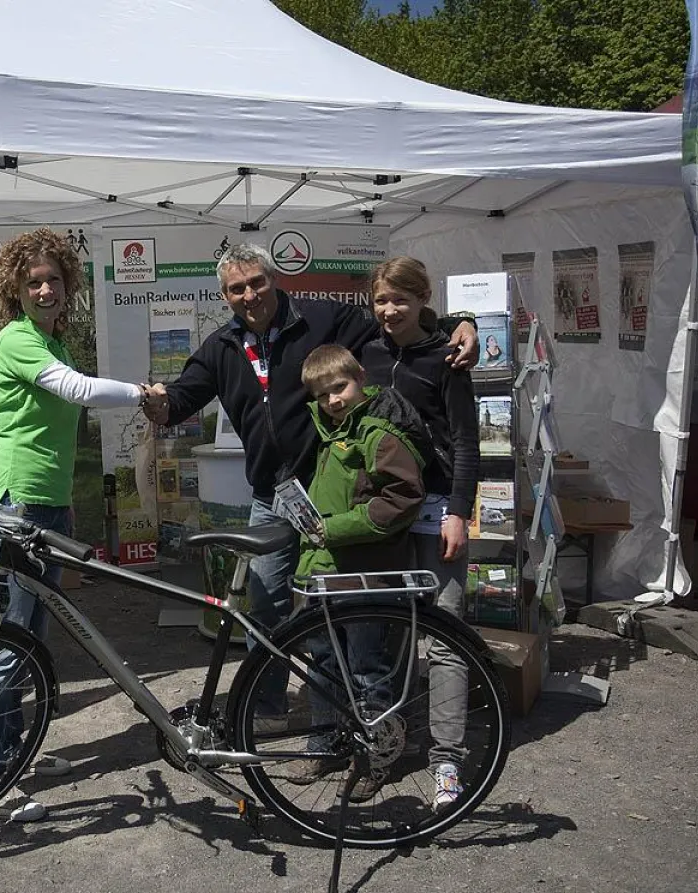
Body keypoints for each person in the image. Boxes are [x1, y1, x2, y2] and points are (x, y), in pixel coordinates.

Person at [142, 243, 476, 723]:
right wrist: (157, 402)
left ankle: (360, 720)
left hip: (335, 491)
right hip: (274, 497)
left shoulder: (322, 319)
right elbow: (180, 398)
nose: (250, 294)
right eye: (237, 288)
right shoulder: (221, 347)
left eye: (257, 282)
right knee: (267, 608)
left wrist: (458, 323)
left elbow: (398, 326)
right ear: (225, 295)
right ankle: (269, 708)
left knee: (350, 614)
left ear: (274, 279)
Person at [0, 227, 155, 823]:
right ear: (15, 290)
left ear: (68, 284)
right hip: (15, 504)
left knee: (30, 638)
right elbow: (74, 391)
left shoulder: (53, 342)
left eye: (53, 279)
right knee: (10, 643)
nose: (45, 289)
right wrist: (140, 392)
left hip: (43, 504)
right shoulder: (17, 339)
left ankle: (12, 754)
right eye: (33, 282)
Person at [359, 255, 481, 811]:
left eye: (400, 300)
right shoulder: (368, 352)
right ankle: (386, 746)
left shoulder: (447, 357)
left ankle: (447, 762)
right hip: (384, 514)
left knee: (446, 635)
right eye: (381, 300)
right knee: (390, 635)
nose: (389, 310)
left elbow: (464, 441)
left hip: (435, 513)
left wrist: (459, 509)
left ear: (422, 299)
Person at [289, 344, 427, 793]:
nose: (333, 400)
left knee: (369, 668)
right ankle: (327, 744)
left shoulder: (377, 434)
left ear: (360, 378)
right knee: (325, 666)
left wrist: (335, 530)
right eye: (322, 394)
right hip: (325, 576)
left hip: (366, 577)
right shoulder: (328, 434)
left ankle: (377, 754)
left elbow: (401, 499)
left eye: (340, 388)